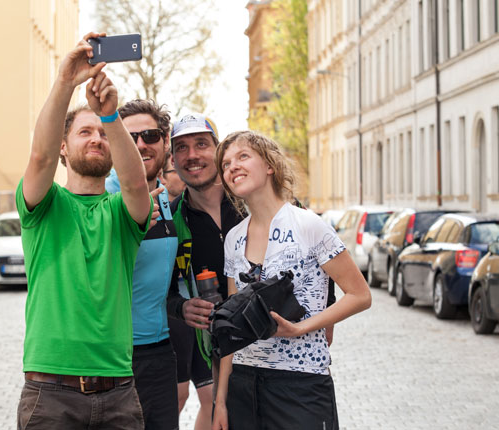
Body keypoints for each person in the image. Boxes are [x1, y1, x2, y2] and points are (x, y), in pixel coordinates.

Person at [16, 32, 154, 429]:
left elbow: (134, 184)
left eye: (103, 135)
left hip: (119, 393)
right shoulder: (43, 206)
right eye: (84, 132)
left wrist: (110, 116)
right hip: (50, 394)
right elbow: (38, 156)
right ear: (64, 147)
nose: (97, 139)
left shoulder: (123, 214)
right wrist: (65, 81)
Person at [212, 131, 372, 430]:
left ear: (270, 165)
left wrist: (299, 328)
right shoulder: (234, 238)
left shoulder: (308, 225)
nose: (232, 167)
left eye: (243, 156)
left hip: (301, 384)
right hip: (244, 384)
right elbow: (231, 330)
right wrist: (220, 401)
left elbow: (360, 295)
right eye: (225, 164)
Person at [166, 113, 244, 430]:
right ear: (172, 159)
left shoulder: (253, 203)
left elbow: (312, 253)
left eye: (201, 144)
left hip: (270, 343)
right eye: (181, 148)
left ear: (218, 149)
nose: (192, 155)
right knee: (216, 414)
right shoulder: (170, 222)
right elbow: (158, 290)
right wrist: (181, 307)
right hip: (210, 347)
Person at [105, 99, 180, 429]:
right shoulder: (103, 196)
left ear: (165, 141)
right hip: (110, 354)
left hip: (159, 352)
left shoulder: (165, 195)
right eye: (129, 136)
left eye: (150, 135)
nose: (140, 144)